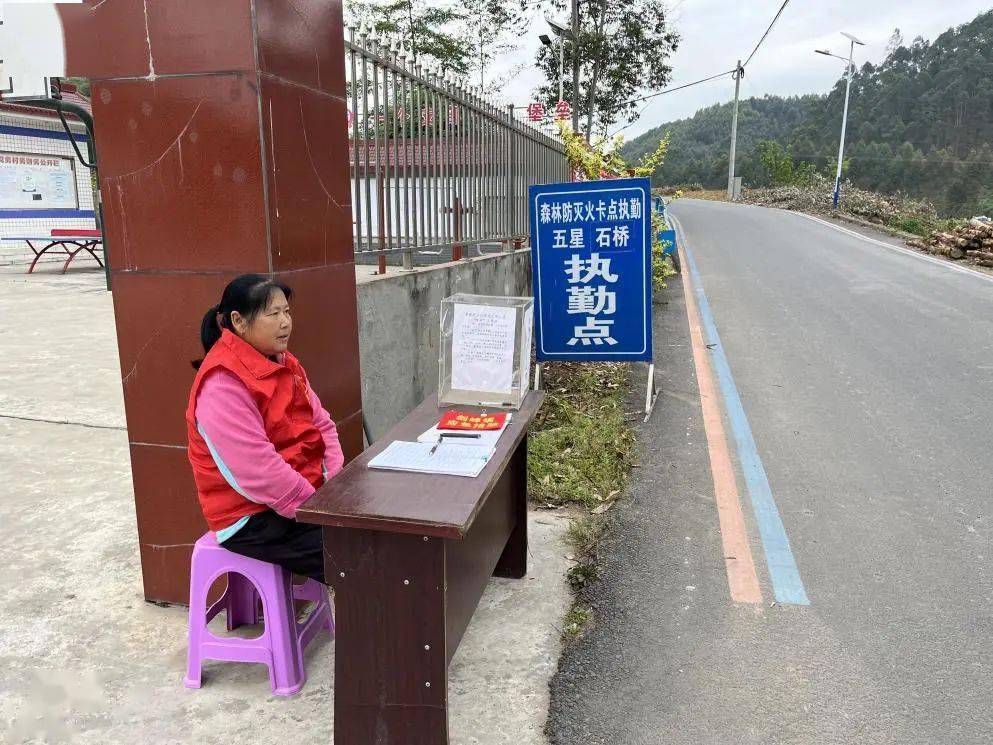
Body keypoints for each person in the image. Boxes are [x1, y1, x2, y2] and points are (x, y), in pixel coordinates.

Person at [186, 274, 343, 583]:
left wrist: (334, 486)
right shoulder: (222, 383)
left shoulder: (284, 363)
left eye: (287, 312)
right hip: (251, 516)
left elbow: (322, 423)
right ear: (238, 321)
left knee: (376, 535)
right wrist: (316, 509)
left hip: (301, 499)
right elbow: (258, 471)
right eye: (273, 314)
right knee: (356, 556)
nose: (285, 322)